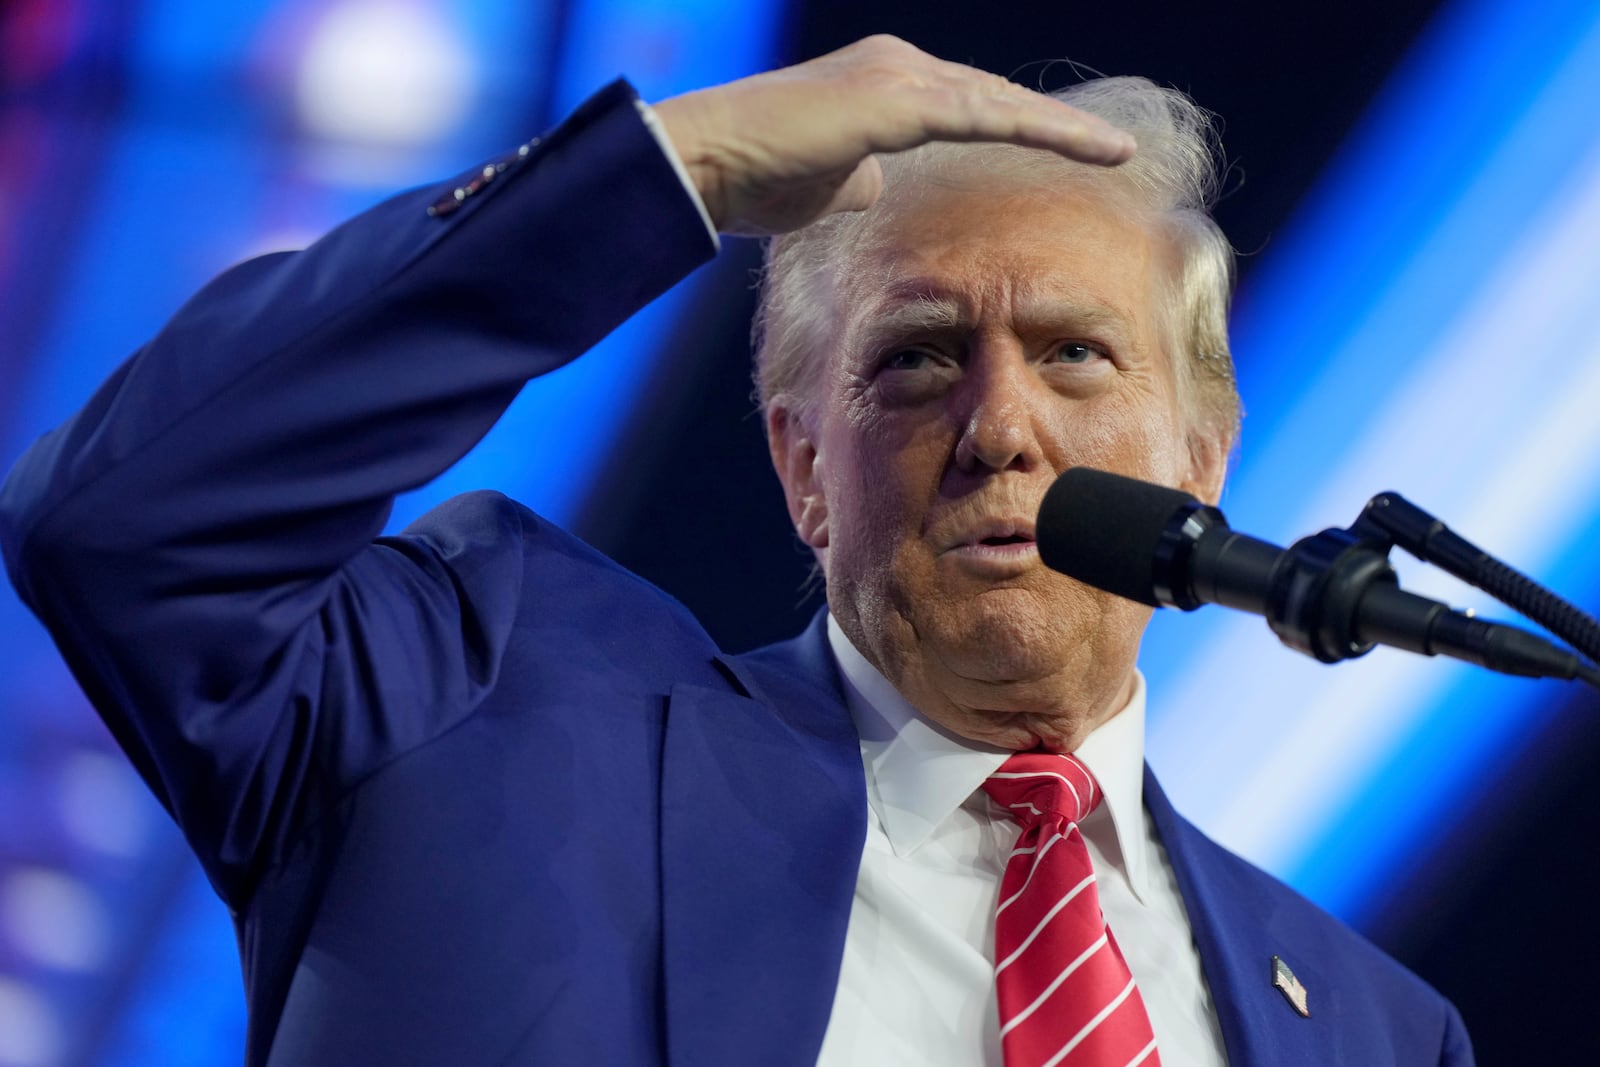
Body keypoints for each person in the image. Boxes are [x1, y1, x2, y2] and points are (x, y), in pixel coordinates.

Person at [0, 35, 1471, 1067]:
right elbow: (128, 523)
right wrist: (674, 166)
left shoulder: (1374, 1028)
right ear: (800, 468)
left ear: (1203, 458)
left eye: (1078, 356)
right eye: (916, 362)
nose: (999, 428)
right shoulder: (476, 712)